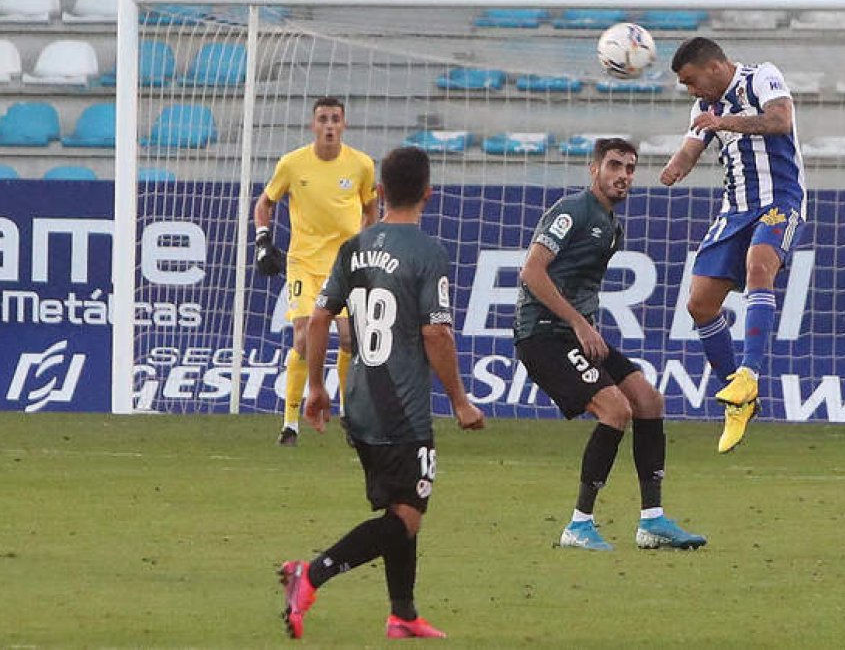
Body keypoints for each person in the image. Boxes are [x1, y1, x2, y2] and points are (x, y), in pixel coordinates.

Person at [277, 146, 485, 641]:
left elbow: (320, 318)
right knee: (406, 515)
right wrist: (459, 400)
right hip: (402, 408)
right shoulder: (428, 253)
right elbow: (437, 334)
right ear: (429, 193)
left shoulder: (355, 246)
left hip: (360, 400)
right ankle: (312, 574)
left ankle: (403, 614)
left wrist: (317, 387)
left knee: (400, 506)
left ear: (380, 193)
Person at [515, 137, 706, 552]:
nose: (623, 175)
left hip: (574, 333)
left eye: (630, 168)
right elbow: (532, 272)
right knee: (615, 409)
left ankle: (652, 521)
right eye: (615, 165)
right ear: (595, 169)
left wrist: (583, 326)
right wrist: (579, 323)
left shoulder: (612, 227)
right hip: (543, 334)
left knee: (649, 401)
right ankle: (578, 525)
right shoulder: (572, 211)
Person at [660, 37, 808, 454]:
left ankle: (749, 372)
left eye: (691, 81)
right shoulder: (702, 109)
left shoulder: (762, 76)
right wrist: (671, 169)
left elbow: (779, 121)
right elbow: (690, 149)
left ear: (712, 67)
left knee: (759, 265)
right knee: (700, 304)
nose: (691, 91)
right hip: (735, 211)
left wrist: (722, 124)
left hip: (781, 201)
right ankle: (738, 402)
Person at [253, 96, 379, 446]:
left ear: (344, 125)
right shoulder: (293, 164)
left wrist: (366, 244)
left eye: (335, 119)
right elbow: (264, 203)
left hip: (344, 265)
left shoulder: (361, 165)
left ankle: (347, 415)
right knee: (304, 337)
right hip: (304, 263)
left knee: (351, 338)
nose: (329, 125)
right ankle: (290, 422)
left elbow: (371, 208)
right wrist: (263, 240)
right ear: (313, 125)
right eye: (322, 119)